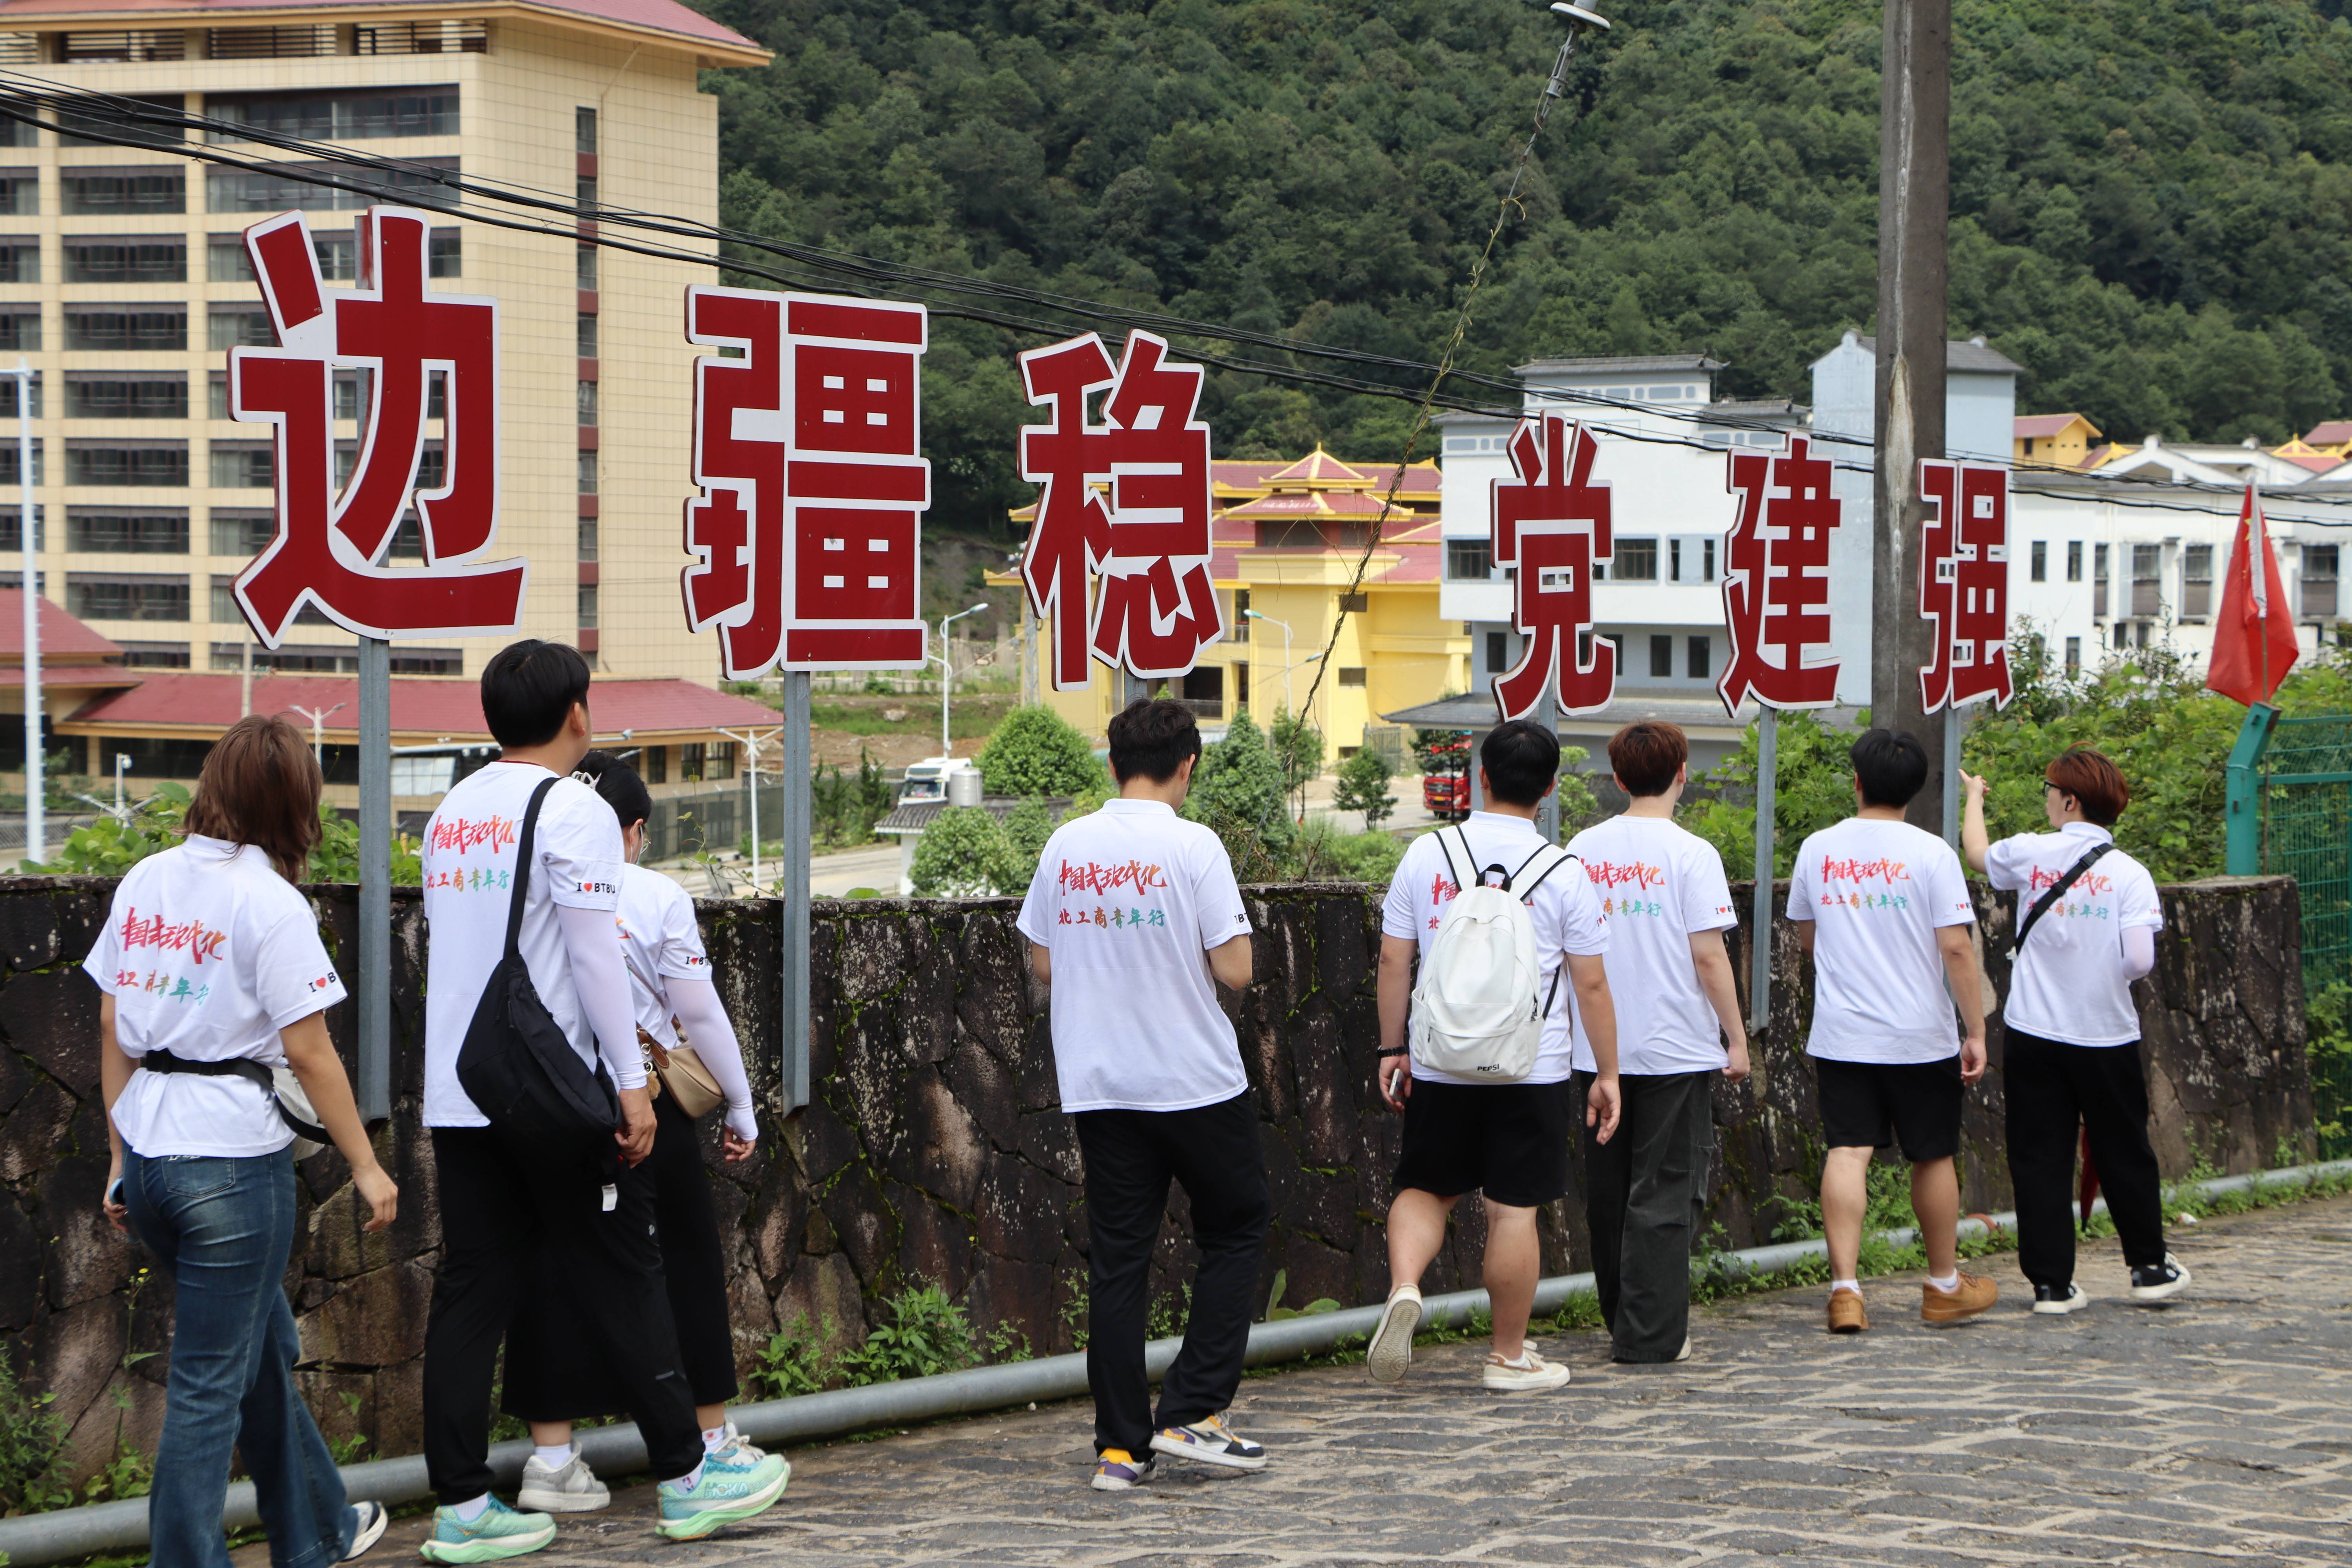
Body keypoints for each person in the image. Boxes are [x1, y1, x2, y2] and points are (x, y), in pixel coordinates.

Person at [416, 641, 786, 1560]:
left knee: (471, 1292)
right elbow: (590, 957)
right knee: (624, 1267)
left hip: (463, 1093)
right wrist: (632, 1084)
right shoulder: (572, 809)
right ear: (577, 715)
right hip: (551, 1093)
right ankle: (689, 1475)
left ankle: (462, 1504)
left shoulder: (451, 813)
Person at [88, 714, 396, 1568]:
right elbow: (309, 1049)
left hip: (151, 1155)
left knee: (261, 1351)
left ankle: (317, 1530)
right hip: (230, 1163)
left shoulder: (146, 879)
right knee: (208, 1384)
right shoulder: (271, 900)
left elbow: (114, 1021)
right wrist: (366, 1165)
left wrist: (118, 1157)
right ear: (295, 805)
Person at [501, 750, 773, 1510]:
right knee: (683, 1256)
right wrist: (742, 1103)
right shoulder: (652, 894)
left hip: (541, 1096)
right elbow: (701, 1010)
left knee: (548, 1265)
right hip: (639, 1097)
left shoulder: (522, 892)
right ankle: (709, 1440)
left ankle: (549, 1458)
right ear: (635, 829)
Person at [1016, 698, 1268, 1494]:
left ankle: (1121, 1448)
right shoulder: (1193, 844)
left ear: (1113, 760)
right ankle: (1192, 1408)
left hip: (1101, 1081)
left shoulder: (1067, 843)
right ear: (1187, 763)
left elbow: (1046, 963)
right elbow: (1235, 969)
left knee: (1120, 1262)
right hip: (1193, 1080)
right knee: (1237, 1226)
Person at [1365, 719, 1620, 1393]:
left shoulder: (1428, 854)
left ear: (1481, 777)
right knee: (1512, 1210)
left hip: (1441, 1058)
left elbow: (1395, 957)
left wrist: (1394, 1047)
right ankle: (1508, 1357)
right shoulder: (1564, 871)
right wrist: (1609, 1072)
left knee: (1426, 1187)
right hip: (1529, 1066)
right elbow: (1590, 982)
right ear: (1551, 789)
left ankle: (1405, 1287)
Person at [1961, 749, 2189, 1313]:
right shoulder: (2129, 874)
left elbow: (1976, 855)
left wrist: (1974, 799)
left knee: (2039, 1155)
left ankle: (2051, 1285)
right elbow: (2139, 959)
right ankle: (2150, 1267)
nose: (2047, 797)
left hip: (2035, 1031)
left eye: (2050, 789)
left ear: (2070, 801)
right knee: (2124, 1149)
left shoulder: (2031, 853)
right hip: (2106, 1033)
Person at [1788, 728, 1996, 1334]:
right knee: (1931, 1155)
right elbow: (1956, 948)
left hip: (1844, 1032)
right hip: (1919, 1035)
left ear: (1856, 782)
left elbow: (1806, 937)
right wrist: (1976, 1029)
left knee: (1847, 1150)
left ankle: (1847, 1292)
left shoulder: (1818, 848)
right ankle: (1942, 1285)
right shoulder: (1932, 853)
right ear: (1918, 791)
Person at [1565, 722, 1747, 1365]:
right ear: (1683, 773)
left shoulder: (1582, 849)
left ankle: (1625, 1319)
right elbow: (1709, 957)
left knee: (1609, 1192)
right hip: (1674, 1046)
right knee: (1666, 1189)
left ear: (1616, 778)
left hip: (1596, 1051)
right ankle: (1649, 1336)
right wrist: (1737, 1037)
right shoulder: (1692, 854)